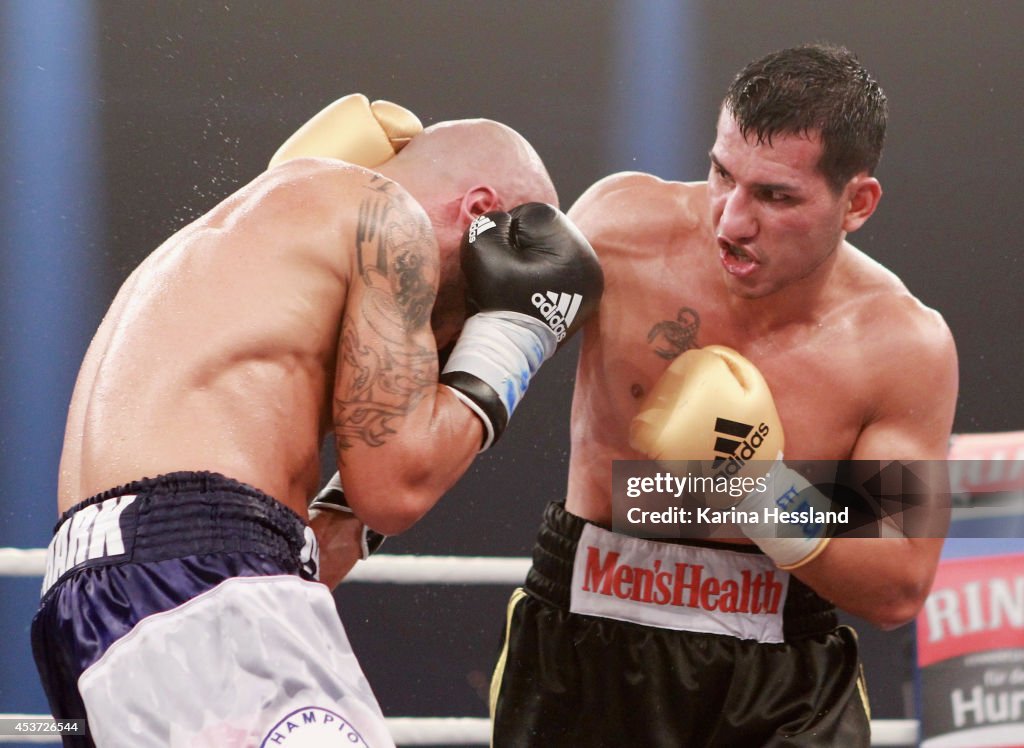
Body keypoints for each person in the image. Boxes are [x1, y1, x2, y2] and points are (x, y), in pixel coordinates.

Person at [32, 93, 603, 747]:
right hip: (206, 584)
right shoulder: (389, 218)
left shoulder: (244, 249)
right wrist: (512, 337)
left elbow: (308, 546)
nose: (445, 341)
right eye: (476, 306)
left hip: (87, 610)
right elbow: (395, 490)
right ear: (481, 214)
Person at [490, 44, 959, 746]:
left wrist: (753, 490)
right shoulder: (621, 230)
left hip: (781, 672)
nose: (731, 221)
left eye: (775, 196)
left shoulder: (905, 345)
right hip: (588, 633)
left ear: (856, 203)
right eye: (721, 174)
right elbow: (471, 363)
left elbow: (899, 586)